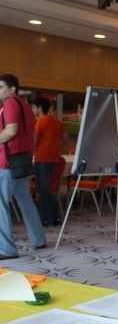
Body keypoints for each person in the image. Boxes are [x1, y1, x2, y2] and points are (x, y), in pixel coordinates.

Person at [0, 74, 46, 259]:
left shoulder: (10, 102)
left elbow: (11, 131)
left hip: (8, 161)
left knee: (1, 204)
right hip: (22, 160)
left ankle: (7, 249)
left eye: (1, 87)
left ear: (12, 89)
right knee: (25, 201)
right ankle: (39, 239)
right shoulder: (25, 105)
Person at [31, 97, 69, 226]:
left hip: (42, 158)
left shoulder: (40, 121)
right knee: (46, 188)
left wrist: (30, 151)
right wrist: (57, 148)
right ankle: (54, 216)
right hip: (54, 158)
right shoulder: (56, 121)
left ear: (40, 108)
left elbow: (34, 140)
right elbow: (66, 138)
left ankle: (50, 217)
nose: (32, 110)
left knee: (43, 190)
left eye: (33, 107)